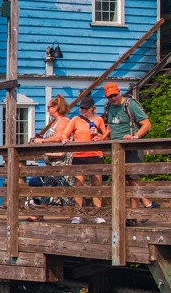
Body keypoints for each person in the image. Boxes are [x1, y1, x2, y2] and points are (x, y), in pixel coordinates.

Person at [102, 81, 152, 210]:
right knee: (122, 180)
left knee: (133, 178)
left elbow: (146, 124)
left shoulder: (130, 104)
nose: (113, 98)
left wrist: (135, 136)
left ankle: (133, 213)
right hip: (116, 148)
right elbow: (110, 126)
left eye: (114, 95)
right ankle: (147, 204)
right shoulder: (108, 107)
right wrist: (102, 136)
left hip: (131, 147)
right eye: (110, 96)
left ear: (119, 92)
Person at [65, 97, 108, 217]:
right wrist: (65, 138)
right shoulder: (75, 119)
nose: (83, 111)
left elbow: (105, 137)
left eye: (86, 109)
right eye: (82, 108)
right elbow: (65, 133)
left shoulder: (98, 120)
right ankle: (78, 214)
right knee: (79, 185)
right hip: (79, 155)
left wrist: (98, 135)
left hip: (95, 155)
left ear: (92, 108)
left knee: (96, 185)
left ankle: (98, 214)